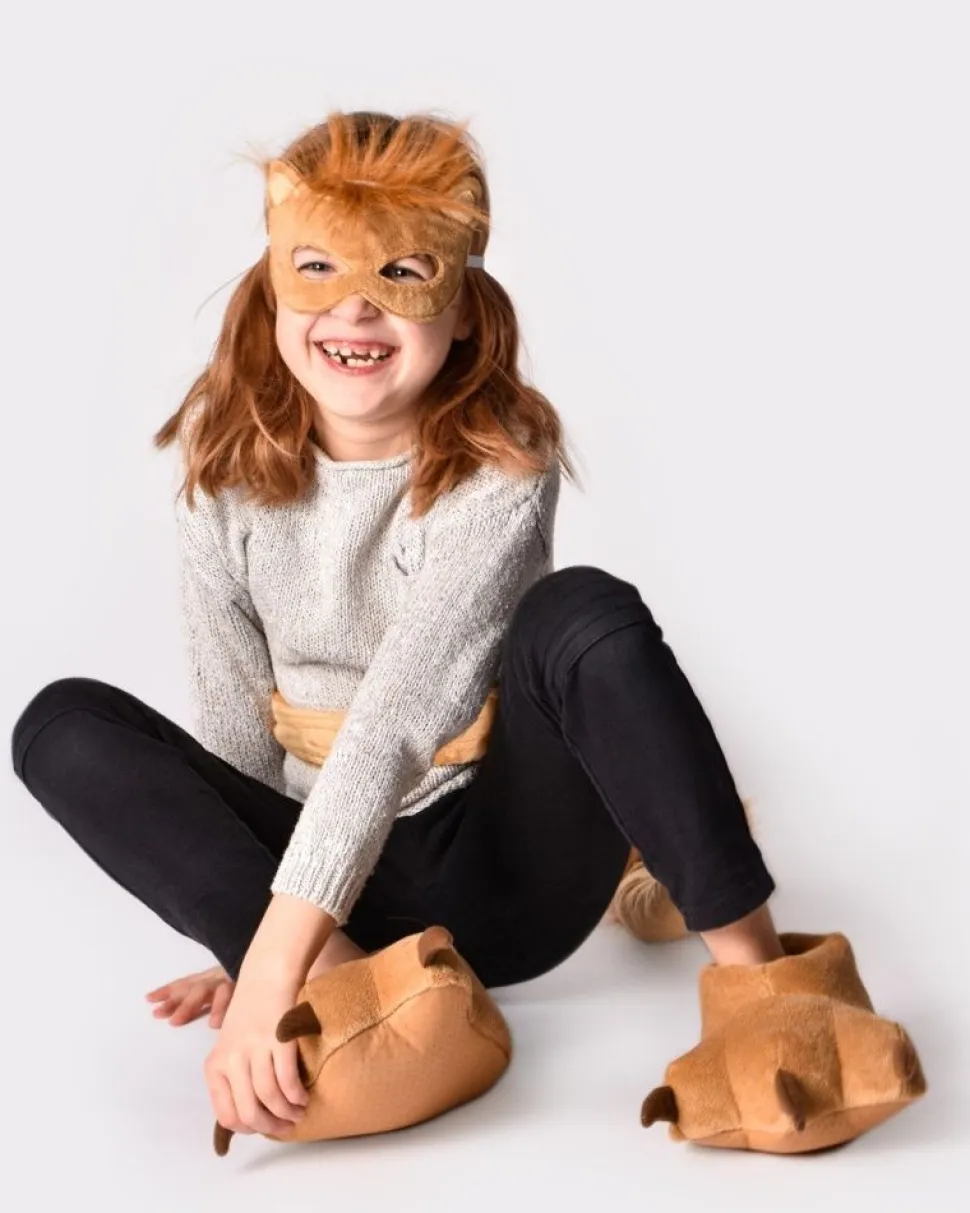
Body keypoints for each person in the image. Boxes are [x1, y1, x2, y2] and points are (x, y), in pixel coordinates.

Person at [10, 110, 785, 1147]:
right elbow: (234, 732)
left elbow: (397, 721)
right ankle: (351, 997)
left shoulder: (503, 463)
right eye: (318, 269)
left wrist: (268, 955)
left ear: (462, 309)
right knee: (57, 723)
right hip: (343, 902)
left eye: (403, 275)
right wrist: (252, 934)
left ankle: (768, 994)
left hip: (503, 874)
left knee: (582, 610)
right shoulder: (222, 470)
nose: (356, 309)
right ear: (273, 287)